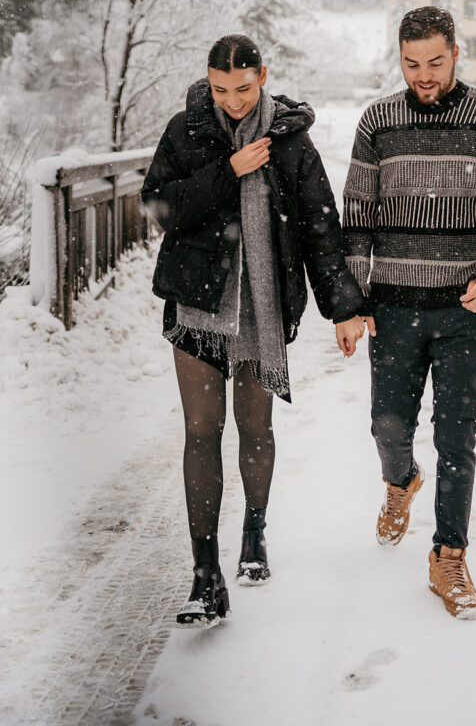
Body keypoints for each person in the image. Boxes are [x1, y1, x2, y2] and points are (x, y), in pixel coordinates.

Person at [142, 35, 365, 628]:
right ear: (207, 81)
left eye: (244, 88)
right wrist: (226, 172)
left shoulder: (291, 140)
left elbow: (320, 226)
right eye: (221, 89)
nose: (234, 100)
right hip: (197, 304)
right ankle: (204, 575)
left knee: (254, 426)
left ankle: (255, 530)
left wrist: (342, 307)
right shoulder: (185, 130)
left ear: (263, 76)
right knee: (199, 432)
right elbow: (159, 207)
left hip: (261, 309)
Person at [342, 6, 476, 618]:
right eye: (410, 64)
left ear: (456, 53)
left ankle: (448, 555)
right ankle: (400, 481)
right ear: (397, 59)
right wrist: (351, 300)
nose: (423, 76)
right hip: (395, 308)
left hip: (465, 311)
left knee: (457, 436)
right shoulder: (377, 123)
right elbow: (357, 218)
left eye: (434, 62)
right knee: (389, 426)